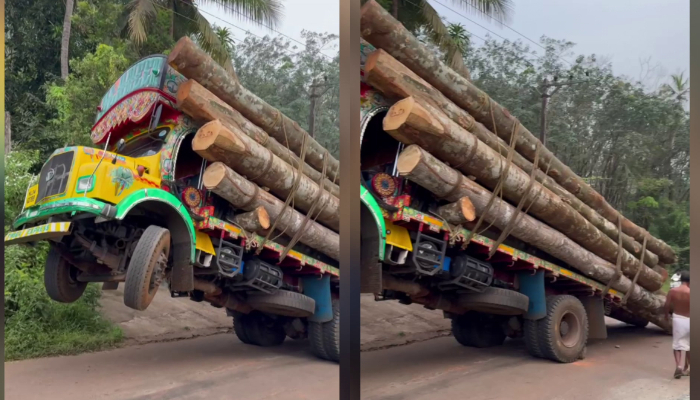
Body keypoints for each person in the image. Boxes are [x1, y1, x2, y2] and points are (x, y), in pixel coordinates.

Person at [664, 270, 690, 379]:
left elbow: (667, 305)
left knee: (677, 344)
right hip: (690, 319)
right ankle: (688, 368)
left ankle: (679, 366)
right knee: (690, 344)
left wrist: (666, 316)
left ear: (680, 280)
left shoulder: (673, 291)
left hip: (678, 318)